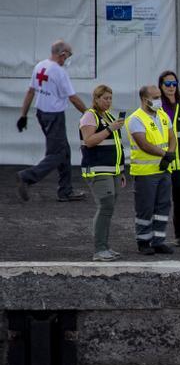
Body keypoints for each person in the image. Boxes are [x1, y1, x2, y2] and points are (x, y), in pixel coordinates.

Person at [15, 40, 87, 203]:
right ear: (62, 55)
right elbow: (73, 98)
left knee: (64, 150)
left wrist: (23, 115)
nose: (69, 58)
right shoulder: (59, 72)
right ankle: (26, 177)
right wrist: (90, 114)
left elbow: (31, 91)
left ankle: (65, 190)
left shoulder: (40, 66)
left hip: (42, 114)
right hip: (54, 116)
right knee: (57, 154)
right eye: (69, 55)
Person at [126, 84, 178, 256]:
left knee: (163, 206)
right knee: (145, 208)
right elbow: (143, 144)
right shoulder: (136, 119)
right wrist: (166, 154)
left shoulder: (163, 115)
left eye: (159, 97)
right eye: (155, 98)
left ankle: (158, 240)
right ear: (144, 99)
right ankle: (143, 240)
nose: (159, 100)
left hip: (163, 169)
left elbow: (172, 137)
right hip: (145, 172)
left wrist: (169, 154)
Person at [78, 84, 124, 261]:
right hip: (98, 170)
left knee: (109, 208)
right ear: (96, 99)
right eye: (105, 98)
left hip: (112, 170)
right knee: (105, 206)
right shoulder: (90, 116)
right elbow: (89, 141)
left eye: (110, 98)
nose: (108, 101)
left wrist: (121, 171)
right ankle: (99, 249)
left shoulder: (109, 116)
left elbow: (117, 147)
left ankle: (105, 247)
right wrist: (109, 129)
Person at [157, 71, 180, 248]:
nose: (171, 88)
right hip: (164, 161)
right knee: (161, 201)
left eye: (174, 84)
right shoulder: (158, 107)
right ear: (161, 86)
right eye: (167, 84)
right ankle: (157, 237)